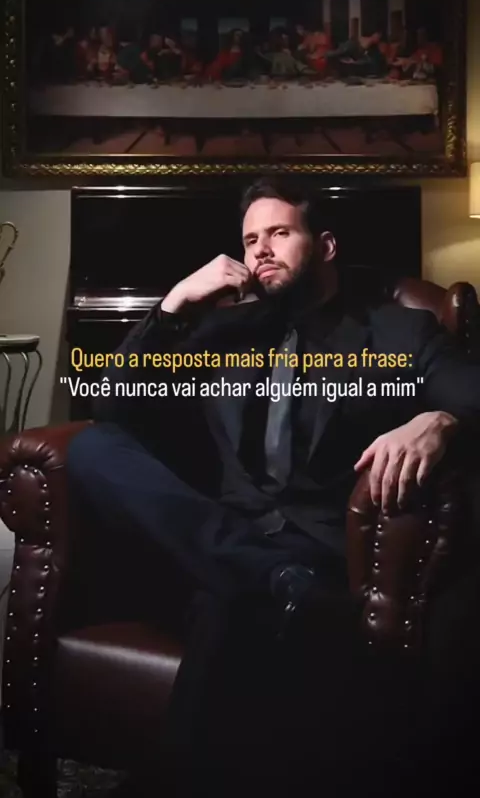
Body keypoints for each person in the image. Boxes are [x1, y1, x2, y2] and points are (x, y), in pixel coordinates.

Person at [67, 177, 480, 797]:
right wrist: (174, 304)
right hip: (228, 533)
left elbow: (473, 393)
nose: (260, 249)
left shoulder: (398, 332)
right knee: (95, 449)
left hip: (315, 545)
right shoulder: (221, 332)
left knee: (225, 608)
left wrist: (439, 419)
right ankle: (268, 577)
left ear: (326, 245)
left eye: (279, 233)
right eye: (249, 239)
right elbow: (113, 406)